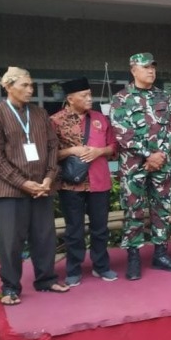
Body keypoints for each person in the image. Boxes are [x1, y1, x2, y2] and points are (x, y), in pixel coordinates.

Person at [0, 67, 69, 305]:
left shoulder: (40, 114)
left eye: (31, 85)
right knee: (11, 241)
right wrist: (23, 183)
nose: (30, 89)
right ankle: (10, 287)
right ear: (8, 87)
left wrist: (49, 178)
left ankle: (46, 279)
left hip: (42, 186)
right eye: (25, 85)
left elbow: (53, 148)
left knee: (44, 237)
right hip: (10, 190)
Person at [110, 52, 171, 280]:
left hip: (161, 164)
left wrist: (161, 153)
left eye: (153, 67)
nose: (151, 71)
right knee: (134, 210)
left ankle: (160, 254)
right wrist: (147, 155)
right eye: (145, 67)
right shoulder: (121, 99)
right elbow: (122, 133)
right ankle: (134, 258)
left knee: (161, 208)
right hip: (134, 167)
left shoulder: (164, 97)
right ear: (133, 70)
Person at [50, 77, 118, 287]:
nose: (90, 98)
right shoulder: (55, 121)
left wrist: (100, 151)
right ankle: (74, 269)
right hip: (71, 184)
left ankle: (101, 266)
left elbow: (114, 147)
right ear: (70, 99)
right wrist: (71, 150)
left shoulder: (100, 118)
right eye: (84, 95)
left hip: (99, 182)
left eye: (90, 94)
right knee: (74, 229)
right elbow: (50, 154)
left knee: (100, 228)